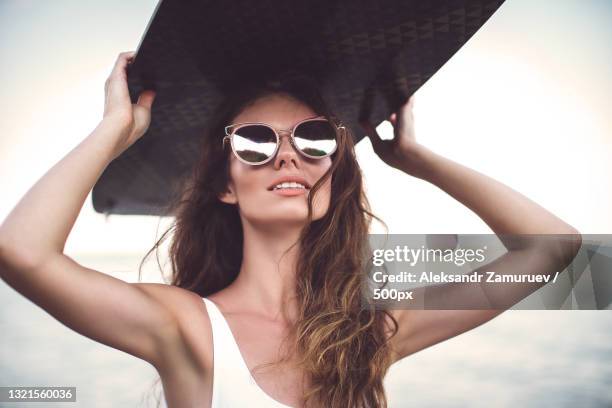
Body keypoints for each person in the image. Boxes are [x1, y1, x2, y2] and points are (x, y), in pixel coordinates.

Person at [0, 51, 581, 408]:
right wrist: (115, 131)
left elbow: (553, 250)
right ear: (224, 186)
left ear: (332, 175)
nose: (287, 157)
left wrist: (416, 158)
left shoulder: (371, 332)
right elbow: (21, 253)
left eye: (313, 139)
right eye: (254, 142)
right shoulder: (186, 326)